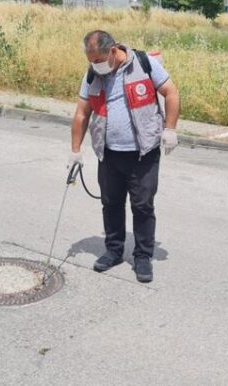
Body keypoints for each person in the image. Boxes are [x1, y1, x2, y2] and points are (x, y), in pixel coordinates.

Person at [68, 30, 180, 283]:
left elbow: (172, 93)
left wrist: (170, 129)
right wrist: (75, 150)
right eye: (90, 60)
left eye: (98, 59)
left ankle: (142, 256)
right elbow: (81, 114)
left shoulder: (142, 64)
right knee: (111, 204)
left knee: (142, 206)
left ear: (112, 50)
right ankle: (114, 250)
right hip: (108, 154)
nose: (95, 65)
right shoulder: (92, 74)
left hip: (143, 153)